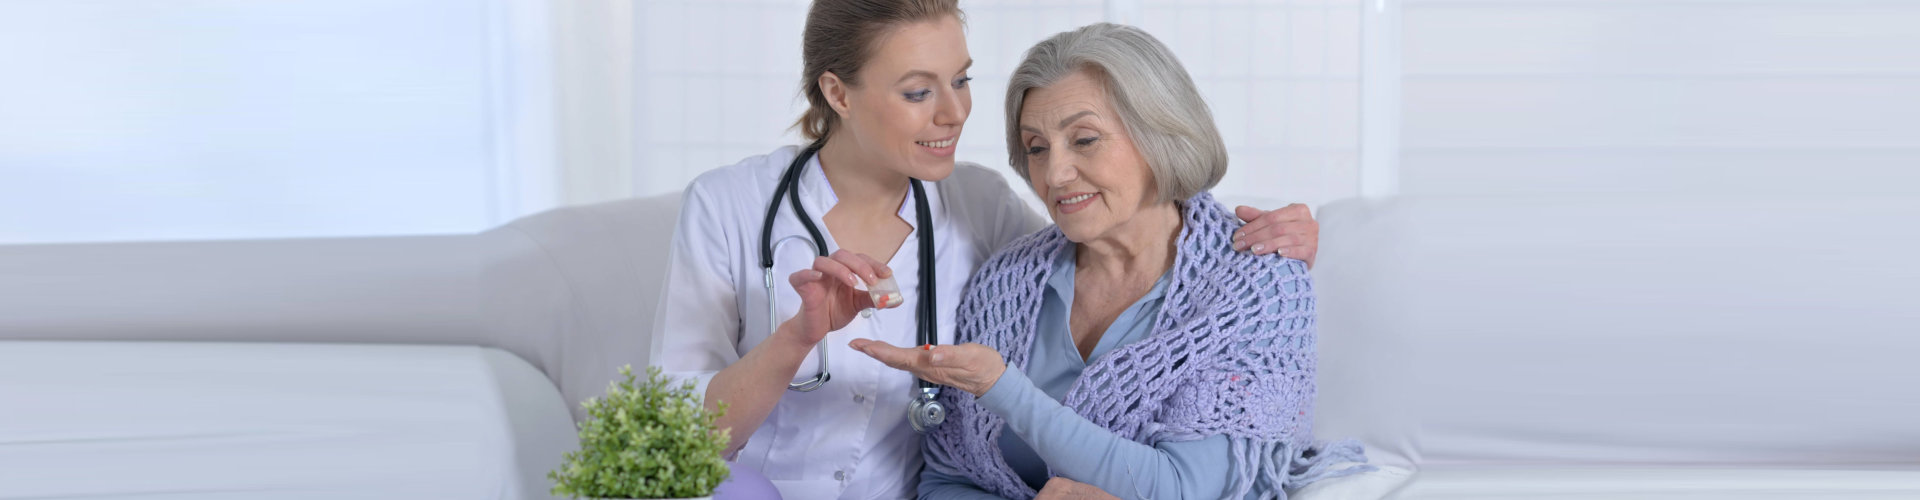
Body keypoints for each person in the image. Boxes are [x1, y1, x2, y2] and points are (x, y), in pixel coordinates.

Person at [652, 2, 1324, 499]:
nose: (954, 113)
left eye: (963, 80)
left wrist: (1280, 246)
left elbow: (1121, 221)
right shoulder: (727, 205)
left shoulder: (979, 209)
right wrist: (797, 337)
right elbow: (676, 438)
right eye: (918, 91)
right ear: (838, 93)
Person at [851, 23, 1368, 499]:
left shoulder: (1254, 285)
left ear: (1160, 134)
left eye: (1085, 140)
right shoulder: (1004, 284)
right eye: (1036, 148)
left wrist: (1001, 387)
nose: (1054, 174)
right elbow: (950, 476)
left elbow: (1183, 488)